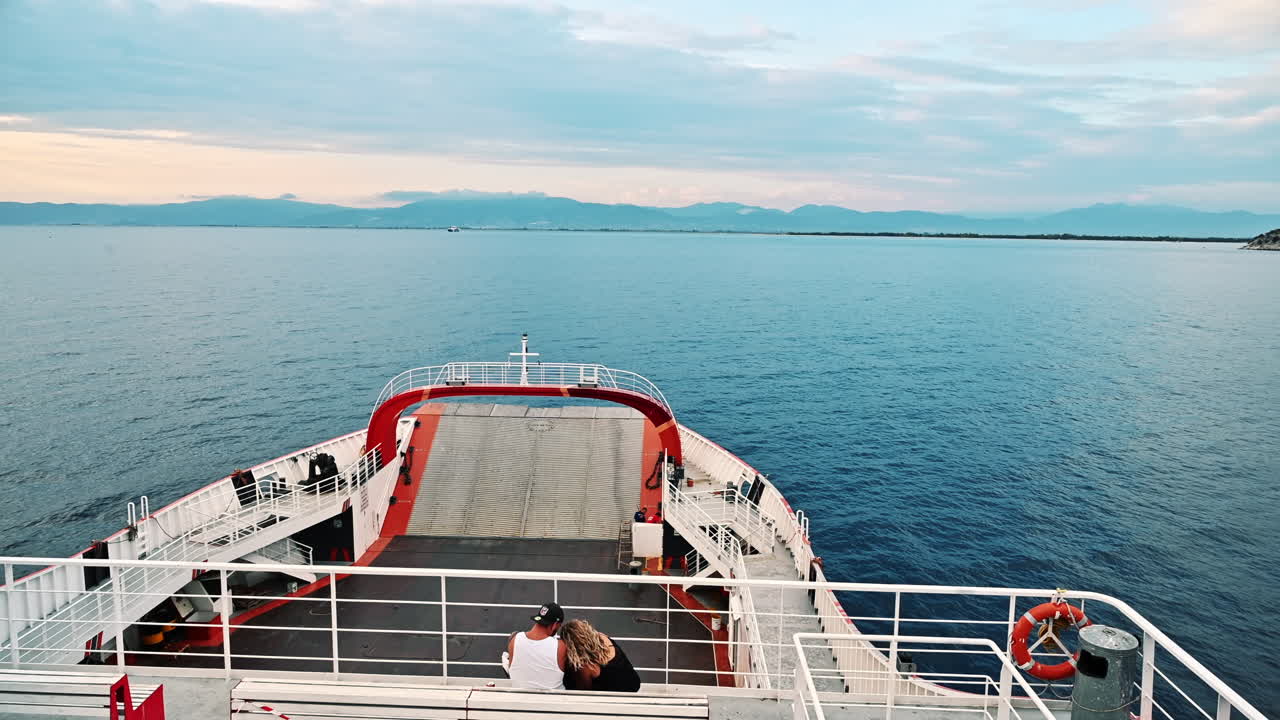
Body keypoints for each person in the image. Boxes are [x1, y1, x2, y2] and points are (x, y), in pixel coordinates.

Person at [559, 619, 641, 692]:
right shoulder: (604, 637)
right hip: (634, 684)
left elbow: (582, 691)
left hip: (617, 697)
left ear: (572, 645)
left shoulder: (586, 666)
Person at [504, 602, 567, 690]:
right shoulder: (560, 647)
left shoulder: (514, 640)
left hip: (519, 699)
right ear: (555, 625)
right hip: (552, 701)